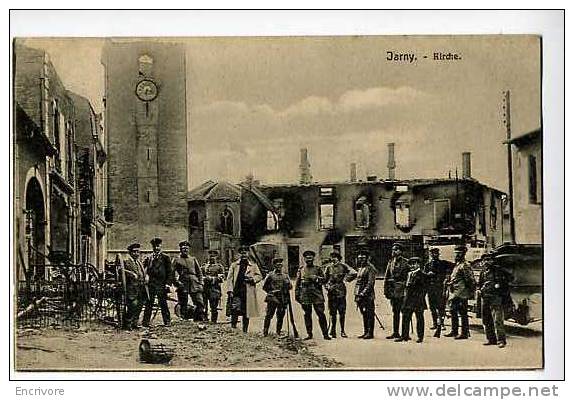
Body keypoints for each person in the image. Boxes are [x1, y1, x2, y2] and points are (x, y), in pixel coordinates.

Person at [477, 253, 512, 348]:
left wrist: (500, 285)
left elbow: (510, 277)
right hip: (485, 298)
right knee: (486, 320)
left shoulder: (498, 270)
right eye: (485, 260)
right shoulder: (483, 272)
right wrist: (479, 289)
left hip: (496, 298)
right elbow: (480, 284)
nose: (487, 262)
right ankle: (491, 339)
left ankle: (501, 340)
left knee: (497, 320)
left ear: (492, 261)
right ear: (482, 262)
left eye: (489, 260)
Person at [295, 250, 331, 340]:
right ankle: (309, 334)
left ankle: (325, 334)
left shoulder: (318, 269)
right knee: (307, 315)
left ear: (313, 258)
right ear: (304, 259)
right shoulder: (301, 269)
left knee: (321, 314)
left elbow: (324, 280)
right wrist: (297, 294)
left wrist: (316, 278)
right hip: (305, 295)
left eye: (310, 257)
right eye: (307, 258)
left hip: (316, 295)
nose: (309, 259)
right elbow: (297, 283)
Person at [226, 245, 262, 333]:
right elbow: (229, 278)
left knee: (246, 311)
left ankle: (245, 330)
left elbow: (259, 276)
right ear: (239, 254)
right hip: (237, 290)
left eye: (245, 252)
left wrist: (252, 279)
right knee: (235, 309)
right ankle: (233, 328)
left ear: (248, 253)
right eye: (242, 252)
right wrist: (230, 290)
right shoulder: (234, 265)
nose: (244, 254)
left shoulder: (253, 265)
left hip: (247, 291)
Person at [445, 244, 476, 340]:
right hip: (455, 292)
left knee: (463, 313)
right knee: (453, 311)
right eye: (456, 253)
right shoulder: (458, 265)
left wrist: (468, 292)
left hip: (461, 293)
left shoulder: (465, 265)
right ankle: (454, 331)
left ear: (463, 254)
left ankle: (464, 333)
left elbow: (470, 280)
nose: (457, 255)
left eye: (459, 254)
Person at [142, 237, 175, 327]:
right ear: (152, 247)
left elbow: (170, 272)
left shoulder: (165, 257)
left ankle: (167, 321)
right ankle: (145, 322)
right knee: (149, 303)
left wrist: (168, 284)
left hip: (161, 284)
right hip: (151, 284)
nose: (156, 248)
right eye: (154, 246)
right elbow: (144, 269)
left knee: (163, 303)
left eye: (158, 246)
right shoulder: (149, 258)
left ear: (160, 246)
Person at [324, 250, 357, 338]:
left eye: (335, 257)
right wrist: (327, 287)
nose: (333, 259)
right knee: (332, 312)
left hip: (341, 291)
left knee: (342, 312)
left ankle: (342, 330)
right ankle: (333, 330)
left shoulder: (343, 266)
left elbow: (354, 273)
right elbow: (324, 279)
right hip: (331, 292)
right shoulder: (328, 267)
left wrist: (346, 279)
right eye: (332, 257)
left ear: (339, 259)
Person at [397, 257, 429, 343]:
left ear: (418, 264)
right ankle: (404, 335)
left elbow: (424, 290)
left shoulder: (422, 275)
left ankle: (420, 336)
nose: (412, 266)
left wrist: (419, 298)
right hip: (408, 300)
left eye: (414, 264)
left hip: (418, 300)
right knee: (405, 317)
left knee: (419, 319)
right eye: (410, 264)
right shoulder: (409, 274)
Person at [423, 247, 454, 334]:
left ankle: (442, 324)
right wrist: (427, 275)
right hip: (431, 289)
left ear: (438, 254)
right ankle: (435, 323)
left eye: (436, 253)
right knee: (432, 307)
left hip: (440, 288)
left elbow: (454, 266)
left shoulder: (443, 263)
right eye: (432, 253)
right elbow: (424, 277)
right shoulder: (427, 265)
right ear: (430, 255)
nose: (434, 255)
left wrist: (448, 275)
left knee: (441, 307)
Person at [172, 240, 205, 321]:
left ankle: (199, 317)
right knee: (183, 301)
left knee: (199, 301)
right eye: (183, 248)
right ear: (180, 249)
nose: (185, 250)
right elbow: (171, 273)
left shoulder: (193, 259)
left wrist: (201, 283)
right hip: (183, 282)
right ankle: (183, 317)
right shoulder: (176, 259)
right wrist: (177, 283)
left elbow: (199, 272)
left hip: (194, 282)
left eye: (187, 248)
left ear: (189, 249)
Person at [383, 243, 410, 339]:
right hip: (393, 291)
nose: (393, 251)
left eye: (396, 249)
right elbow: (386, 277)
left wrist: (406, 288)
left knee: (405, 312)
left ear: (401, 251)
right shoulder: (390, 262)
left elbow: (409, 278)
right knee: (395, 312)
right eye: (393, 250)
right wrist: (386, 290)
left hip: (403, 291)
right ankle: (395, 332)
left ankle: (405, 334)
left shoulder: (407, 263)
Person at [262, 257, 292, 336]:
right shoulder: (270, 275)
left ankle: (278, 332)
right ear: (274, 265)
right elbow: (264, 287)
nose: (279, 265)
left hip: (282, 298)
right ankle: (265, 331)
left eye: (280, 264)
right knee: (269, 315)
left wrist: (287, 284)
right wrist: (271, 292)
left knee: (280, 315)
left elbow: (290, 287)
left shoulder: (285, 276)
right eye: (277, 264)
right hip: (272, 298)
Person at [121, 242, 147, 330]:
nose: (136, 254)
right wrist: (131, 273)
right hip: (131, 288)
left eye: (138, 252)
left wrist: (145, 276)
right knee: (133, 304)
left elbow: (142, 272)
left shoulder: (139, 263)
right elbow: (120, 270)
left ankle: (134, 322)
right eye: (134, 252)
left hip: (140, 288)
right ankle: (127, 322)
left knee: (140, 305)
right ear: (130, 253)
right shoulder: (126, 262)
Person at [354, 247, 377, 339]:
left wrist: (363, 293)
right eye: (360, 258)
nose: (361, 259)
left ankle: (370, 333)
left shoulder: (371, 268)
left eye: (363, 258)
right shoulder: (360, 268)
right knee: (364, 313)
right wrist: (356, 294)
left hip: (367, 295)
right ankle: (365, 331)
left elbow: (370, 283)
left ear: (367, 258)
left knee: (369, 313)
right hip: (359, 294)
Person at [202, 249, 225, 323]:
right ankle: (205, 319)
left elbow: (221, 278)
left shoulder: (219, 267)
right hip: (204, 288)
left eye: (214, 256)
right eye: (210, 256)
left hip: (214, 289)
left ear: (216, 257)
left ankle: (213, 320)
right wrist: (204, 278)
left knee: (214, 306)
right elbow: (199, 275)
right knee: (204, 305)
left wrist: (212, 279)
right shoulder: (204, 266)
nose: (212, 257)